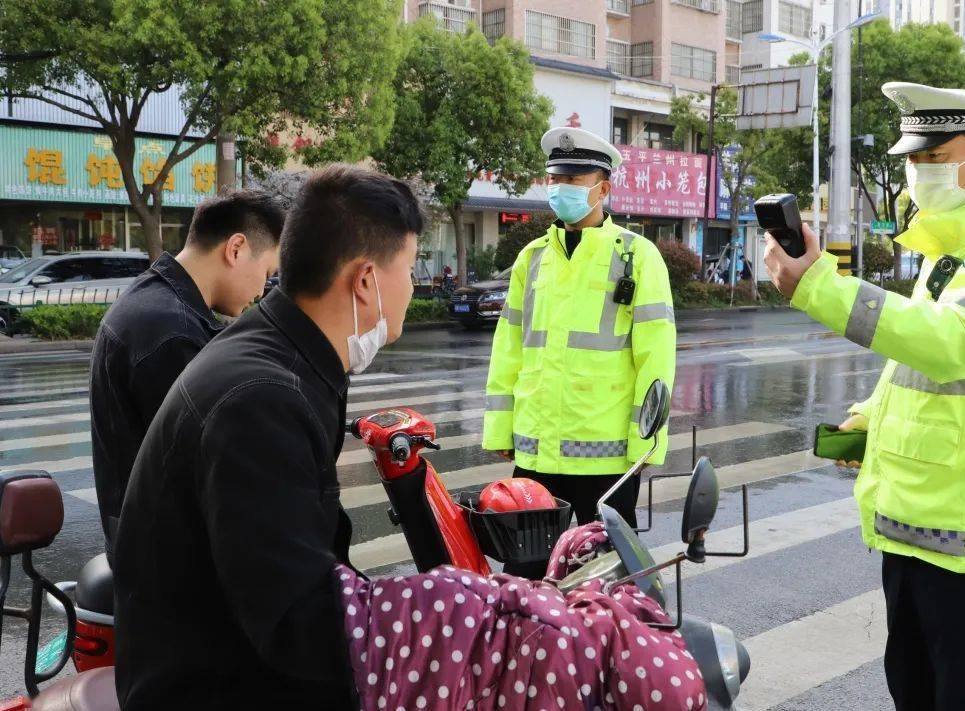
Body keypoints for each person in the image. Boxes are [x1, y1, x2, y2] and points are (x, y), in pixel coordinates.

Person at [763, 82, 965, 710]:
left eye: (936, 157)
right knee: (917, 691)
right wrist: (872, 417)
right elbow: (919, 362)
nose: (918, 171)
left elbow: (955, 344)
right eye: (913, 158)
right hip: (922, 523)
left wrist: (822, 287)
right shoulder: (953, 253)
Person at [113, 166, 423, 710]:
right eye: (412, 268)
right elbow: (297, 624)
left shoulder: (285, 357)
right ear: (367, 279)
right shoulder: (262, 398)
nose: (415, 288)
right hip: (212, 686)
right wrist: (429, 635)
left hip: (234, 653)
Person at [482, 127, 676, 576]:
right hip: (535, 456)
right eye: (554, 180)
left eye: (573, 181)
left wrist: (646, 444)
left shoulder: (637, 256)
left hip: (606, 460)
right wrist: (499, 430)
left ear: (603, 188)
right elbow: (509, 349)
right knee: (525, 583)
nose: (559, 190)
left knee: (602, 586)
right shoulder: (531, 259)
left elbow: (657, 358)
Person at [89, 190, 284, 558]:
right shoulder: (171, 332)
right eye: (267, 273)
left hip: (146, 541)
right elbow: (212, 465)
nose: (261, 290)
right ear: (237, 248)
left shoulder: (156, 301)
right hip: (165, 565)